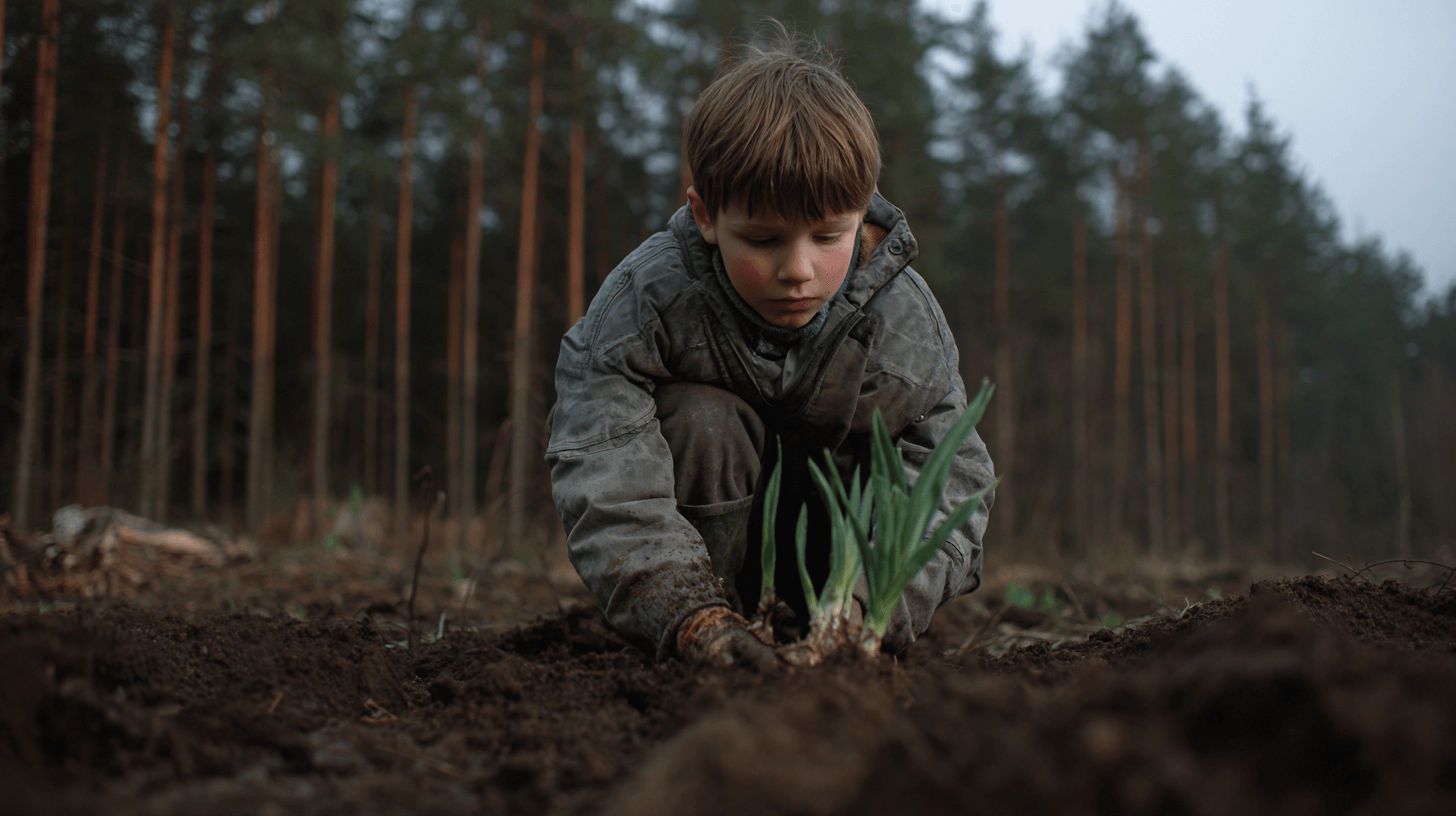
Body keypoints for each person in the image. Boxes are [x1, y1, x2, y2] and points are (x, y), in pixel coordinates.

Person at [546, 25, 995, 668]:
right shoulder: (646, 301)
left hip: (844, 582)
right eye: (762, 240)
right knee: (702, 418)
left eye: (827, 235)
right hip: (704, 580)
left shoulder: (903, 319)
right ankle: (720, 630)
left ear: (862, 215)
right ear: (705, 216)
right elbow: (602, 462)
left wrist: (875, 606)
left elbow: (954, 480)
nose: (798, 270)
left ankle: (831, 632)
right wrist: (686, 614)